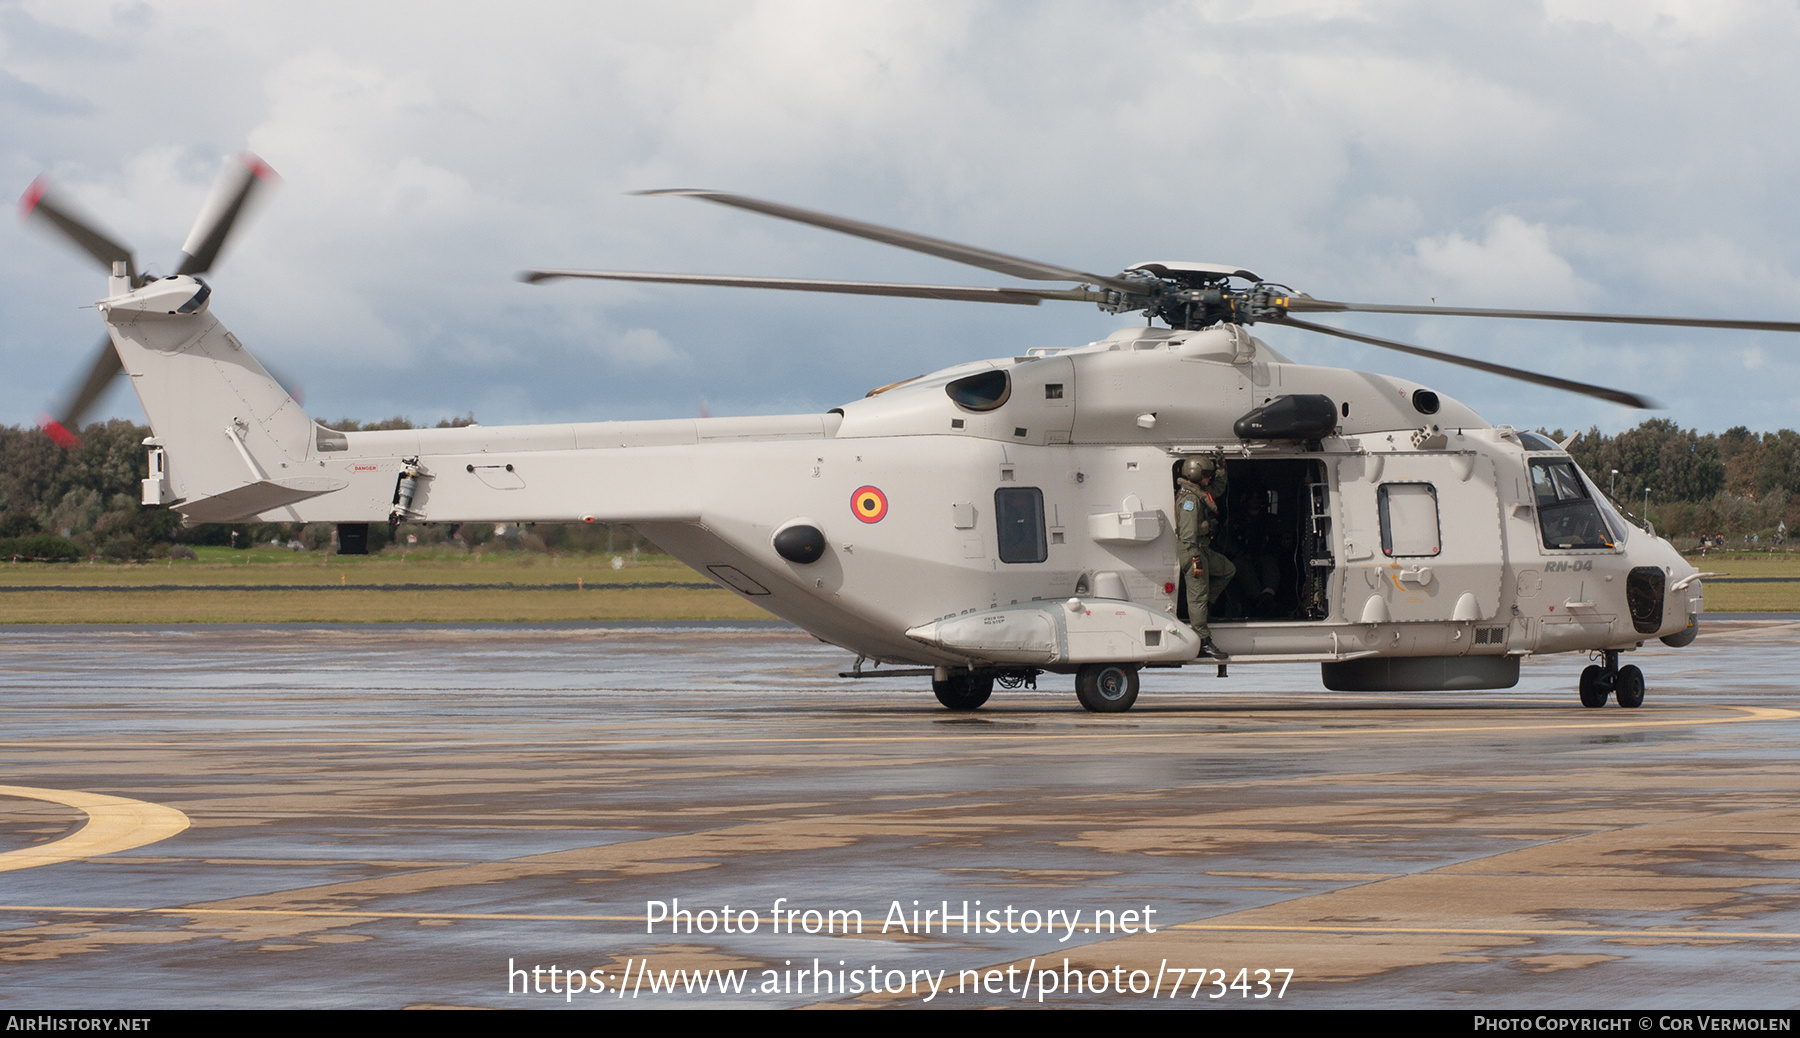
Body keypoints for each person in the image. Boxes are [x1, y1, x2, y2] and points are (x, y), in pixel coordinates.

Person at [1176, 454, 1234, 659]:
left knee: (1228, 569)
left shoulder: (1199, 492)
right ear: (1196, 474)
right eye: (1207, 475)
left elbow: (1216, 489)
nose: (1209, 479)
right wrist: (1194, 557)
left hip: (1203, 549)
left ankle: (1202, 608)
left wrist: (1221, 470)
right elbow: (1187, 532)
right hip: (1193, 550)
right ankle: (1202, 640)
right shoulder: (1190, 499)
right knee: (1198, 595)